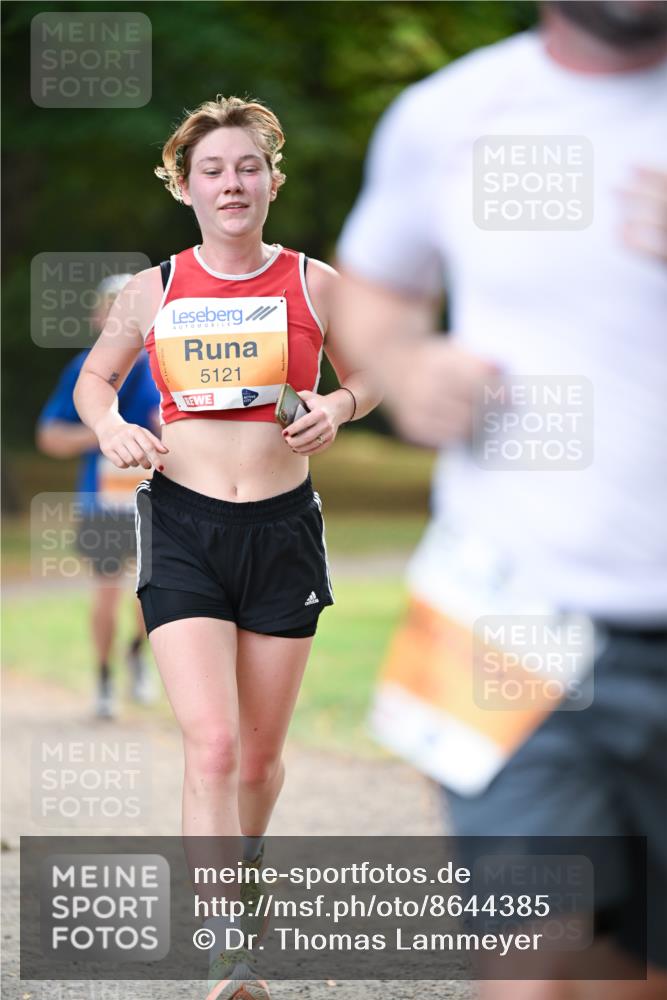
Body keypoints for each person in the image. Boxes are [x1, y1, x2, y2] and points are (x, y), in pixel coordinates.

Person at [336, 1, 667, 998]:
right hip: (503, 609)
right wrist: (401, 361)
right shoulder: (450, 114)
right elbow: (375, 288)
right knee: (536, 969)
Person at [72, 96, 378, 1000]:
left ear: (272, 181)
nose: (232, 183)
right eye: (212, 170)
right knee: (208, 748)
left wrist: (338, 405)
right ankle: (224, 948)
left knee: (255, 758)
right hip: (184, 525)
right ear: (185, 187)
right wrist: (109, 431)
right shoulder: (154, 290)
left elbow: (377, 367)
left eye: (248, 166)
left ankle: (239, 877)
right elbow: (96, 381)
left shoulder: (316, 283)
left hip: (283, 530)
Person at [36, 274, 160, 718]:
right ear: (97, 316)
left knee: (153, 594)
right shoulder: (82, 371)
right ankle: (105, 677)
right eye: (112, 307)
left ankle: (135, 656)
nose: (120, 316)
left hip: (152, 500)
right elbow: (49, 435)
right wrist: (106, 435)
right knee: (107, 593)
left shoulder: (160, 365)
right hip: (103, 503)